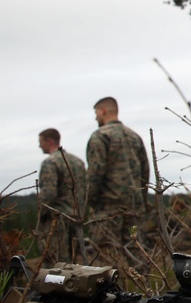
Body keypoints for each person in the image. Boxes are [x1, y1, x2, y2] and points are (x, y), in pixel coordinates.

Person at [86, 96, 150, 261]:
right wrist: (141, 203)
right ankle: (143, 287)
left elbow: (95, 173)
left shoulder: (100, 137)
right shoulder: (134, 136)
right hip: (134, 208)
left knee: (107, 259)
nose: (95, 117)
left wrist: (89, 202)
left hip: (108, 210)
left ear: (103, 111)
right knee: (136, 254)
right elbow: (145, 172)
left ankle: (113, 288)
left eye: (96, 113)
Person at [35, 128, 86, 265]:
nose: (39, 146)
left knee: (56, 265)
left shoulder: (50, 163)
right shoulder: (78, 162)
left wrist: (40, 216)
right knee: (75, 264)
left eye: (41, 142)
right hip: (76, 219)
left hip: (57, 222)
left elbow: (48, 194)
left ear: (50, 141)